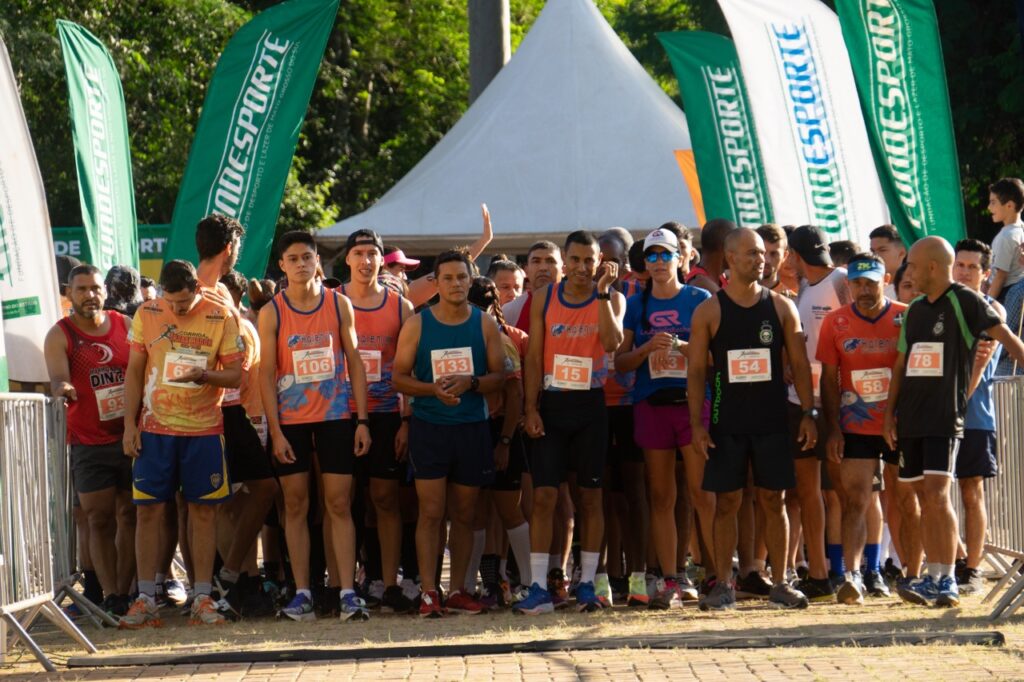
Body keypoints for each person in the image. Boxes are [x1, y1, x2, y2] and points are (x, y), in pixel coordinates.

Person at [883, 237, 1024, 608]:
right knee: (918, 497)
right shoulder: (913, 310)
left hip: (944, 418)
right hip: (909, 421)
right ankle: (932, 574)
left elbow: (1008, 339)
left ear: (932, 266)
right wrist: (888, 415)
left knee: (936, 493)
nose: (907, 272)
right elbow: (901, 366)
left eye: (912, 265)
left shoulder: (966, 301)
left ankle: (945, 579)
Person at [688, 228, 812, 610]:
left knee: (774, 500)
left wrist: (809, 412)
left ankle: (781, 581)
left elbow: (800, 365)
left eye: (763, 253)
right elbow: (694, 372)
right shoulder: (710, 310)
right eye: (751, 254)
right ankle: (724, 584)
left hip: (773, 420)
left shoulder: (780, 306)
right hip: (727, 423)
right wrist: (696, 425)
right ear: (729, 258)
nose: (761, 259)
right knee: (727, 502)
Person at [119, 260, 243, 628]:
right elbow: (134, 371)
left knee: (203, 512)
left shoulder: (221, 316)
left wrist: (205, 375)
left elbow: (236, 373)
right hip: (155, 429)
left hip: (203, 430)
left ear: (196, 290)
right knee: (148, 511)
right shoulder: (147, 311)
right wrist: (130, 424)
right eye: (171, 303)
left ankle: (202, 597)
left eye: (185, 304)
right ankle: (145, 600)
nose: (178, 310)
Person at [258, 231, 372, 622]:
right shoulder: (272, 311)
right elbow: (266, 374)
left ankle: (346, 593)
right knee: (296, 505)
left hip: (337, 417)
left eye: (308, 257)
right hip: (291, 422)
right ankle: (302, 591)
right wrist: (274, 432)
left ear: (317, 262)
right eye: (294, 259)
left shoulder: (340, 305)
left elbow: (355, 362)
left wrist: (362, 419)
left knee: (339, 503)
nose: (302, 264)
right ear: (283, 266)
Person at [392, 249, 507, 618]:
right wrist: (433, 390)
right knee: (430, 511)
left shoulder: (485, 324)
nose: (456, 284)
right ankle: (429, 591)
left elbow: (500, 377)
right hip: (429, 429)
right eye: (448, 278)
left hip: (472, 428)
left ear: (471, 280)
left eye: (462, 277)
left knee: (465, 512)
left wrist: (471, 382)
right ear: (436, 283)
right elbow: (398, 378)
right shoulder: (418, 324)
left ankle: (458, 589)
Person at [516, 230, 625, 615]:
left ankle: (587, 584)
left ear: (600, 263)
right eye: (575, 260)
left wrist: (601, 294)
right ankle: (537, 587)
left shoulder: (612, 297)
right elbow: (532, 358)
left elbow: (612, 344)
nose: (581, 268)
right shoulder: (545, 297)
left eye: (589, 261)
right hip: (552, 404)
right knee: (545, 496)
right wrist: (530, 408)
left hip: (591, 405)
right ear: (565, 260)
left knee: (591, 497)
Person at [614, 228, 709, 609]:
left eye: (664, 255)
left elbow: (715, 358)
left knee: (703, 493)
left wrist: (683, 347)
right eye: (650, 257)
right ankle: (669, 578)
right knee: (661, 495)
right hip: (651, 404)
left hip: (691, 404)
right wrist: (645, 349)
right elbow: (620, 362)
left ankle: (713, 575)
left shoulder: (699, 299)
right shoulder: (636, 304)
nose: (657, 263)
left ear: (680, 259)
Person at [44, 264, 135, 618]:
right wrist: (62, 388)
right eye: (81, 289)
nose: (89, 295)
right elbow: (57, 378)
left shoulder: (124, 325)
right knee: (98, 519)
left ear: (105, 291)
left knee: (130, 514)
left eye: (95, 288)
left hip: (129, 436)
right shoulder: (60, 334)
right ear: (70, 293)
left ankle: (126, 591)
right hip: (88, 441)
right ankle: (110, 594)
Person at [817, 253, 907, 604]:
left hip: (898, 425)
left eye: (871, 282)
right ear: (849, 285)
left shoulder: (904, 316)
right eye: (857, 283)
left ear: (885, 281)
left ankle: (911, 573)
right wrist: (834, 429)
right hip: (854, 424)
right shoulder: (835, 322)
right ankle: (852, 575)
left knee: (903, 501)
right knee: (855, 499)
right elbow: (828, 378)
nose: (864, 290)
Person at [340, 229, 416, 614]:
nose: (366, 260)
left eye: (373, 253)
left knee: (385, 499)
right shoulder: (333, 303)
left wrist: (406, 420)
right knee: (342, 501)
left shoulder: (400, 307)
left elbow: (408, 368)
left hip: (386, 414)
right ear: (347, 260)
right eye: (359, 253)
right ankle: (343, 585)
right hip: (340, 413)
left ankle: (390, 584)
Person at [786, 225, 851, 601]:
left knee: (843, 489)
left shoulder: (840, 280)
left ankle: (850, 570)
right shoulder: (804, 290)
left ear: (795, 255)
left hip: (839, 401)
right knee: (809, 489)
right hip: (801, 401)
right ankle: (821, 573)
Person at [212, 270, 280, 619]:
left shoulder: (245, 325)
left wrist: (263, 425)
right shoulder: (208, 326)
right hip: (212, 416)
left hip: (245, 419)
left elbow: (254, 380)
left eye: (224, 293)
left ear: (236, 296)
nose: (217, 298)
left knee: (258, 493)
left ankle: (236, 576)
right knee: (227, 503)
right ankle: (239, 580)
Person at [466, 276, 532, 607]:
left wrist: (504, 441)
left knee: (508, 509)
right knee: (475, 513)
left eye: (485, 305)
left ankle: (531, 583)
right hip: (469, 429)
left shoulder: (506, 338)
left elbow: (515, 392)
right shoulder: (463, 333)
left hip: (500, 431)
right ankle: (476, 585)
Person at [952, 239, 1004, 594]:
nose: (965, 272)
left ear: (986, 274)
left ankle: (972, 568)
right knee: (931, 493)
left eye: (973, 267)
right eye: (960, 264)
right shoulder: (938, 305)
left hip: (973, 418)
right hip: (935, 416)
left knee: (972, 492)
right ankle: (955, 558)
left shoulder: (991, 311)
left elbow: (980, 368)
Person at [386, 204, 495, 308]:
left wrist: (485, 239)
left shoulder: (400, 296)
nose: (405, 277)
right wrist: (484, 240)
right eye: (401, 270)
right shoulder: (396, 296)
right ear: (384, 266)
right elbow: (446, 271)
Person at [986, 179, 1024, 374]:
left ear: (1009, 205)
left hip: (1006, 295)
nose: (989, 207)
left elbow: (1000, 277)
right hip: (1016, 293)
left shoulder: (1007, 237)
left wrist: (987, 304)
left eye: (993, 202)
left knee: (1000, 341)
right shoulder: (1020, 230)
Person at [502, 241, 562, 334]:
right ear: (526, 270)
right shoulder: (509, 311)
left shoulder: (579, 305)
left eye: (550, 261)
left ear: (563, 269)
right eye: (536, 261)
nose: (543, 267)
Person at [686, 219, 736, 292]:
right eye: (735, 245)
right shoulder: (700, 283)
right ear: (722, 246)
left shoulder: (721, 277)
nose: (739, 251)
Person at [756, 224, 795, 297]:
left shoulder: (792, 301)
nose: (766, 260)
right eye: (762, 252)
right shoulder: (731, 291)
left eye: (773, 254)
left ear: (784, 256)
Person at [869, 225, 907, 300]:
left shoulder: (915, 289)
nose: (875, 256)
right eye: (873, 251)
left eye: (882, 250)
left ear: (902, 253)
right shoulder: (868, 290)